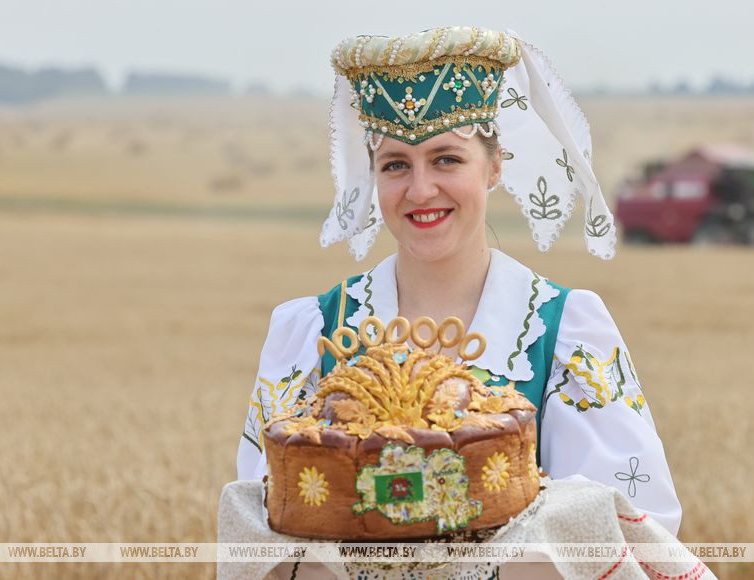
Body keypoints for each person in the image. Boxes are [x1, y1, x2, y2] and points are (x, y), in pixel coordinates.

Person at [236, 26, 682, 536]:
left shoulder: (562, 332)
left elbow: (633, 527)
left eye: (446, 159)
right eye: (396, 165)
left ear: (494, 167)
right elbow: (264, 520)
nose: (421, 190)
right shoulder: (315, 330)